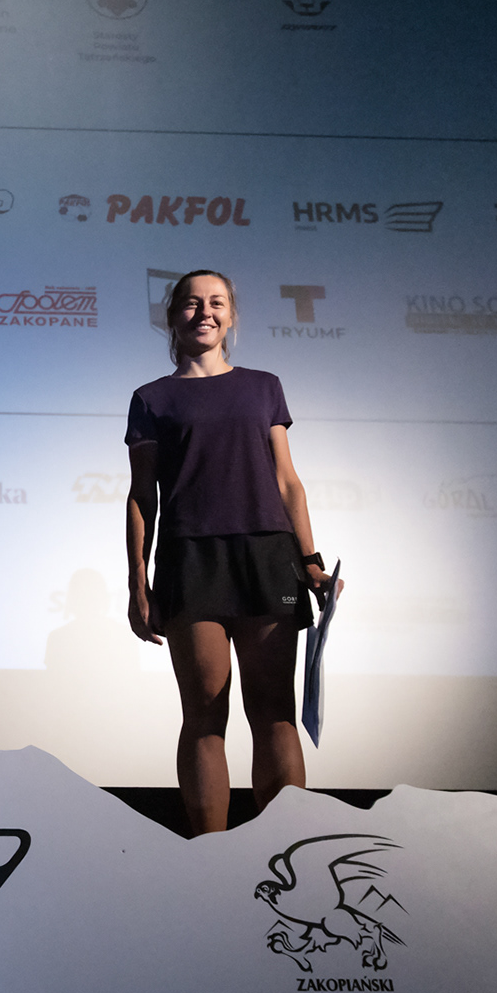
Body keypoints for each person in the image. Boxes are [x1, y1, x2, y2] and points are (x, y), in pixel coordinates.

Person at [124, 269, 337, 835]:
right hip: (190, 563)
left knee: (274, 712)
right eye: (192, 303)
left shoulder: (263, 386)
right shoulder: (151, 399)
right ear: (173, 315)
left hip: (268, 559)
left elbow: (288, 481)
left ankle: (287, 850)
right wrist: (138, 583)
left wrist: (311, 562)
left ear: (232, 316)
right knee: (203, 716)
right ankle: (208, 859)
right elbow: (142, 496)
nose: (205, 313)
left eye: (217, 303)